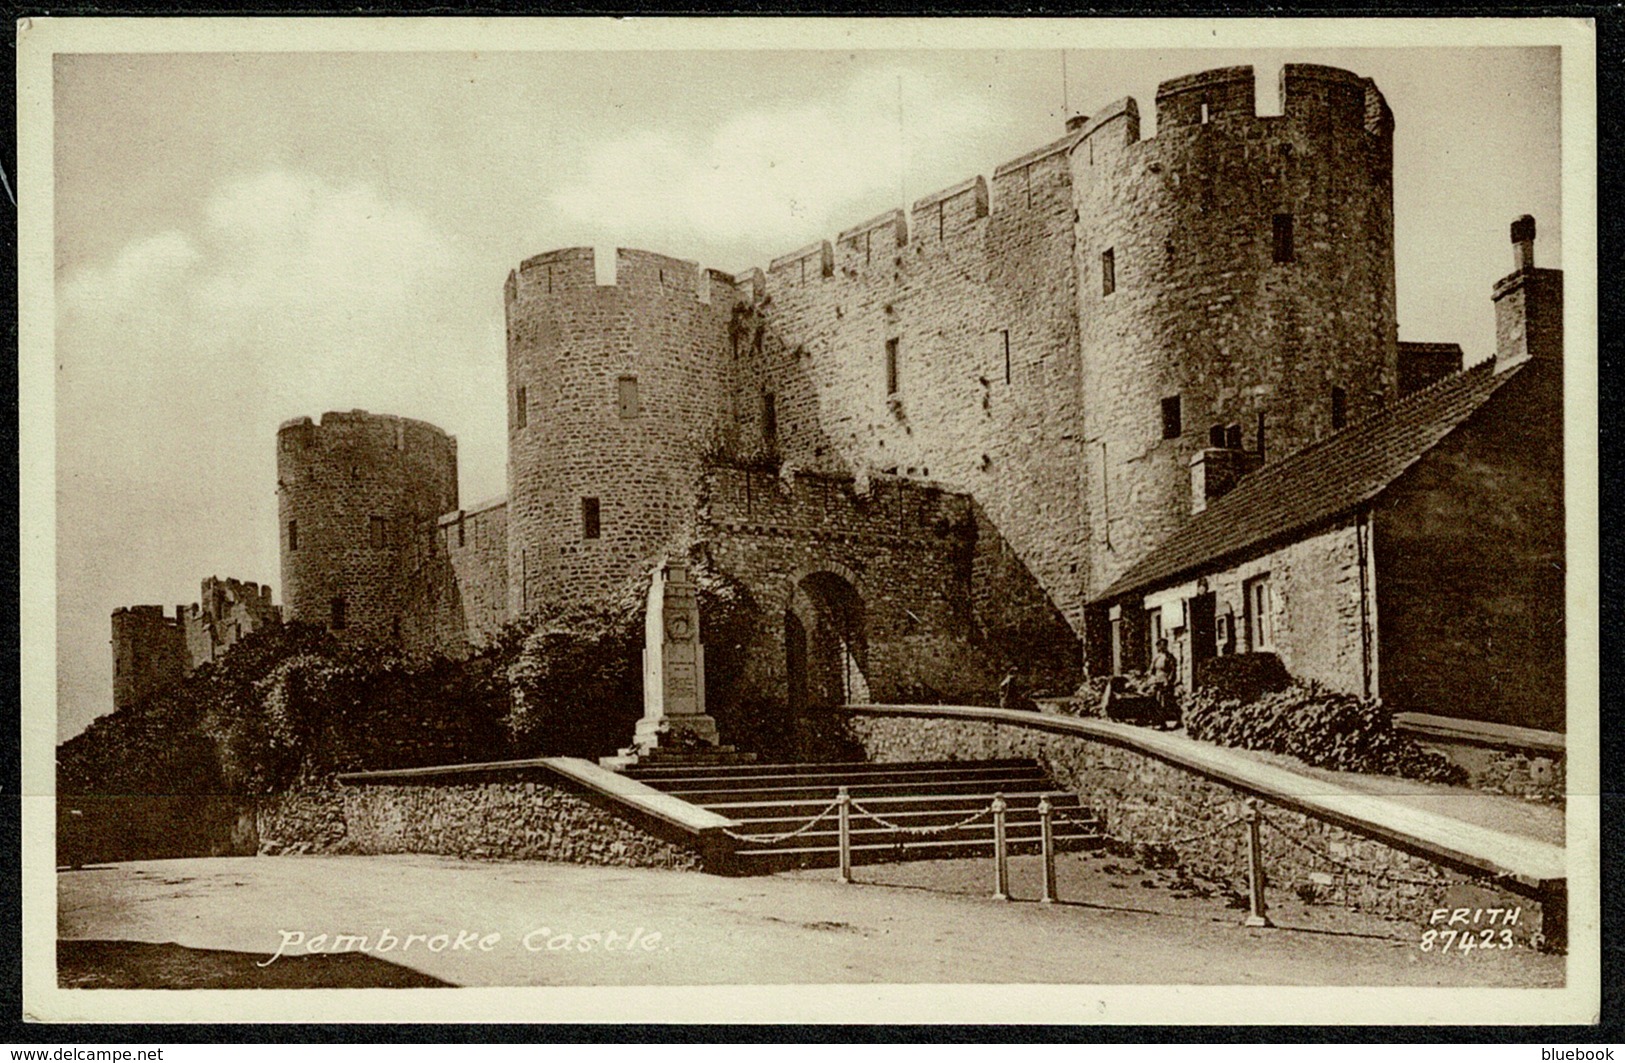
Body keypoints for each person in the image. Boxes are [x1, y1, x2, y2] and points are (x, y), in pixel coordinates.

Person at [1149, 638, 1180, 728]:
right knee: (1155, 701)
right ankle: (1156, 721)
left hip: (1165, 682)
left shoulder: (1170, 657)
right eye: (1160, 645)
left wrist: (1169, 681)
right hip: (1156, 681)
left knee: (1164, 702)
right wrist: (1151, 678)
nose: (1161, 647)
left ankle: (1167, 722)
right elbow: (1151, 670)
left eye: (1164, 645)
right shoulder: (1156, 657)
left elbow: (1173, 671)